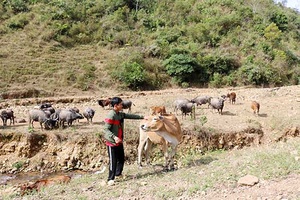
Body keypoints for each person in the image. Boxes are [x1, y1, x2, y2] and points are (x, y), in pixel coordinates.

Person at [103, 97, 146, 186]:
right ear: (116, 106)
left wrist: (143, 117)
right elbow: (106, 130)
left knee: (121, 159)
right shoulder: (111, 115)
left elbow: (130, 116)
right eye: (121, 104)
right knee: (113, 161)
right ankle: (110, 179)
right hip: (112, 142)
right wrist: (114, 137)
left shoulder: (119, 114)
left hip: (119, 141)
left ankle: (118, 174)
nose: (123, 105)